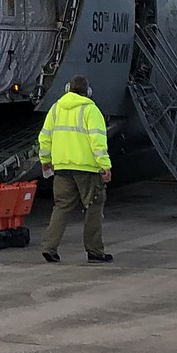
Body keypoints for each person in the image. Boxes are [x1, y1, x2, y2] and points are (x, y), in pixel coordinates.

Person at [38, 75, 113, 264]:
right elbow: (98, 141)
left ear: (67, 89)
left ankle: (49, 247)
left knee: (61, 207)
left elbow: (45, 138)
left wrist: (45, 160)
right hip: (87, 169)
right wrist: (105, 165)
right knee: (93, 207)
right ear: (88, 92)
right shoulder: (90, 110)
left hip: (62, 167)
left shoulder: (55, 109)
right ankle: (95, 251)